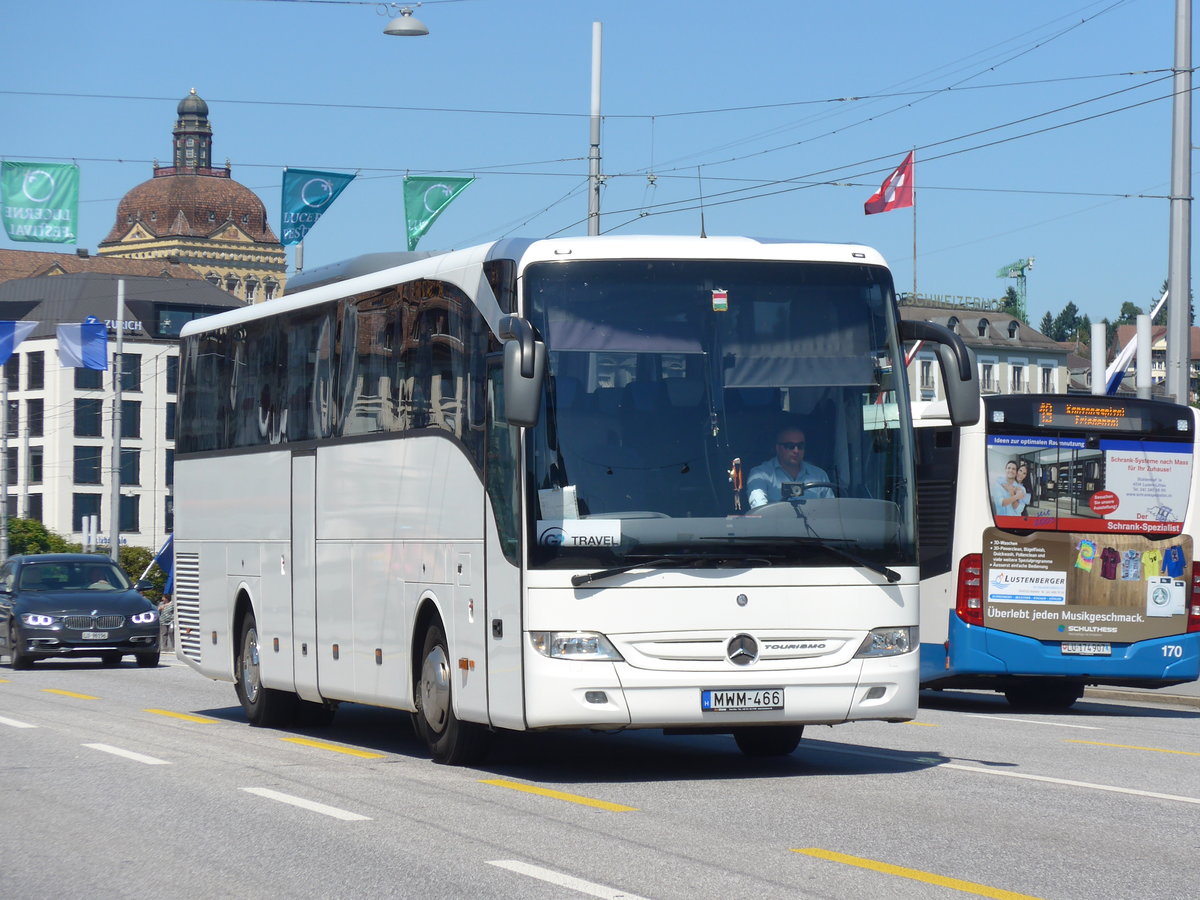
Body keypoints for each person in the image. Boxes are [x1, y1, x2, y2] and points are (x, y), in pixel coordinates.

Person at [746, 425, 833, 509]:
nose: (796, 450)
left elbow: (831, 510)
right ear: (778, 448)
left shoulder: (819, 475)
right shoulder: (760, 475)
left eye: (800, 446)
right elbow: (759, 509)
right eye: (790, 446)